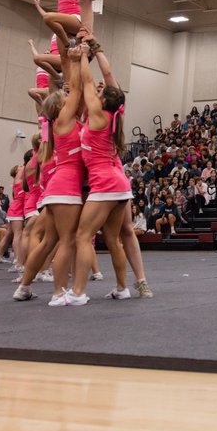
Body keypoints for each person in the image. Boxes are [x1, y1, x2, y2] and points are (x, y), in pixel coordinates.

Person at [13, 44, 86, 303]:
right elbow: (78, 90)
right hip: (66, 188)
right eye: (65, 100)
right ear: (60, 107)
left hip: (55, 188)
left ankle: (23, 287)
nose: (69, 100)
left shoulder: (55, 125)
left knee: (47, 242)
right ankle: (58, 292)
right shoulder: (65, 120)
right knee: (67, 241)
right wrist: (76, 62)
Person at [67, 46, 134, 304]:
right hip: (118, 184)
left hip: (105, 183)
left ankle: (79, 293)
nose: (97, 92)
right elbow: (105, 75)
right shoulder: (116, 115)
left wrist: (84, 55)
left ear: (104, 100)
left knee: (83, 236)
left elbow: (86, 81)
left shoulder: (98, 115)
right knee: (113, 238)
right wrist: (93, 50)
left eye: (101, 92)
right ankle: (122, 288)